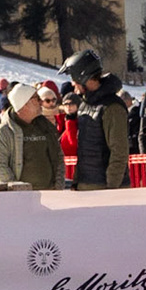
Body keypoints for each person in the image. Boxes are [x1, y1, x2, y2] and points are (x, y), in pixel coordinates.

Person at [60, 48, 128, 191]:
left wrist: (112, 188)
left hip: (104, 187)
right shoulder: (85, 104)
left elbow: (119, 151)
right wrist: (76, 181)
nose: (72, 84)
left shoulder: (112, 107)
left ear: (83, 77)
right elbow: (84, 149)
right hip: (87, 184)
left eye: (74, 79)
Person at [0, 82, 64, 189]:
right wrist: (17, 188)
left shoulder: (46, 127)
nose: (41, 102)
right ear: (24, 104)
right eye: (36, 99)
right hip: (18, 199)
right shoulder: (4, 132)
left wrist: (58, 186)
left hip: (50, 195)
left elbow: (58, 157)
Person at [56, 90, 81, 157]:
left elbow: (73, 142)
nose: (68, 107)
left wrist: (70, 122)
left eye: (71, 104)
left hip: (74, 162)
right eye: (66, 104)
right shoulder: (60, 120)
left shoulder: (80, 122)